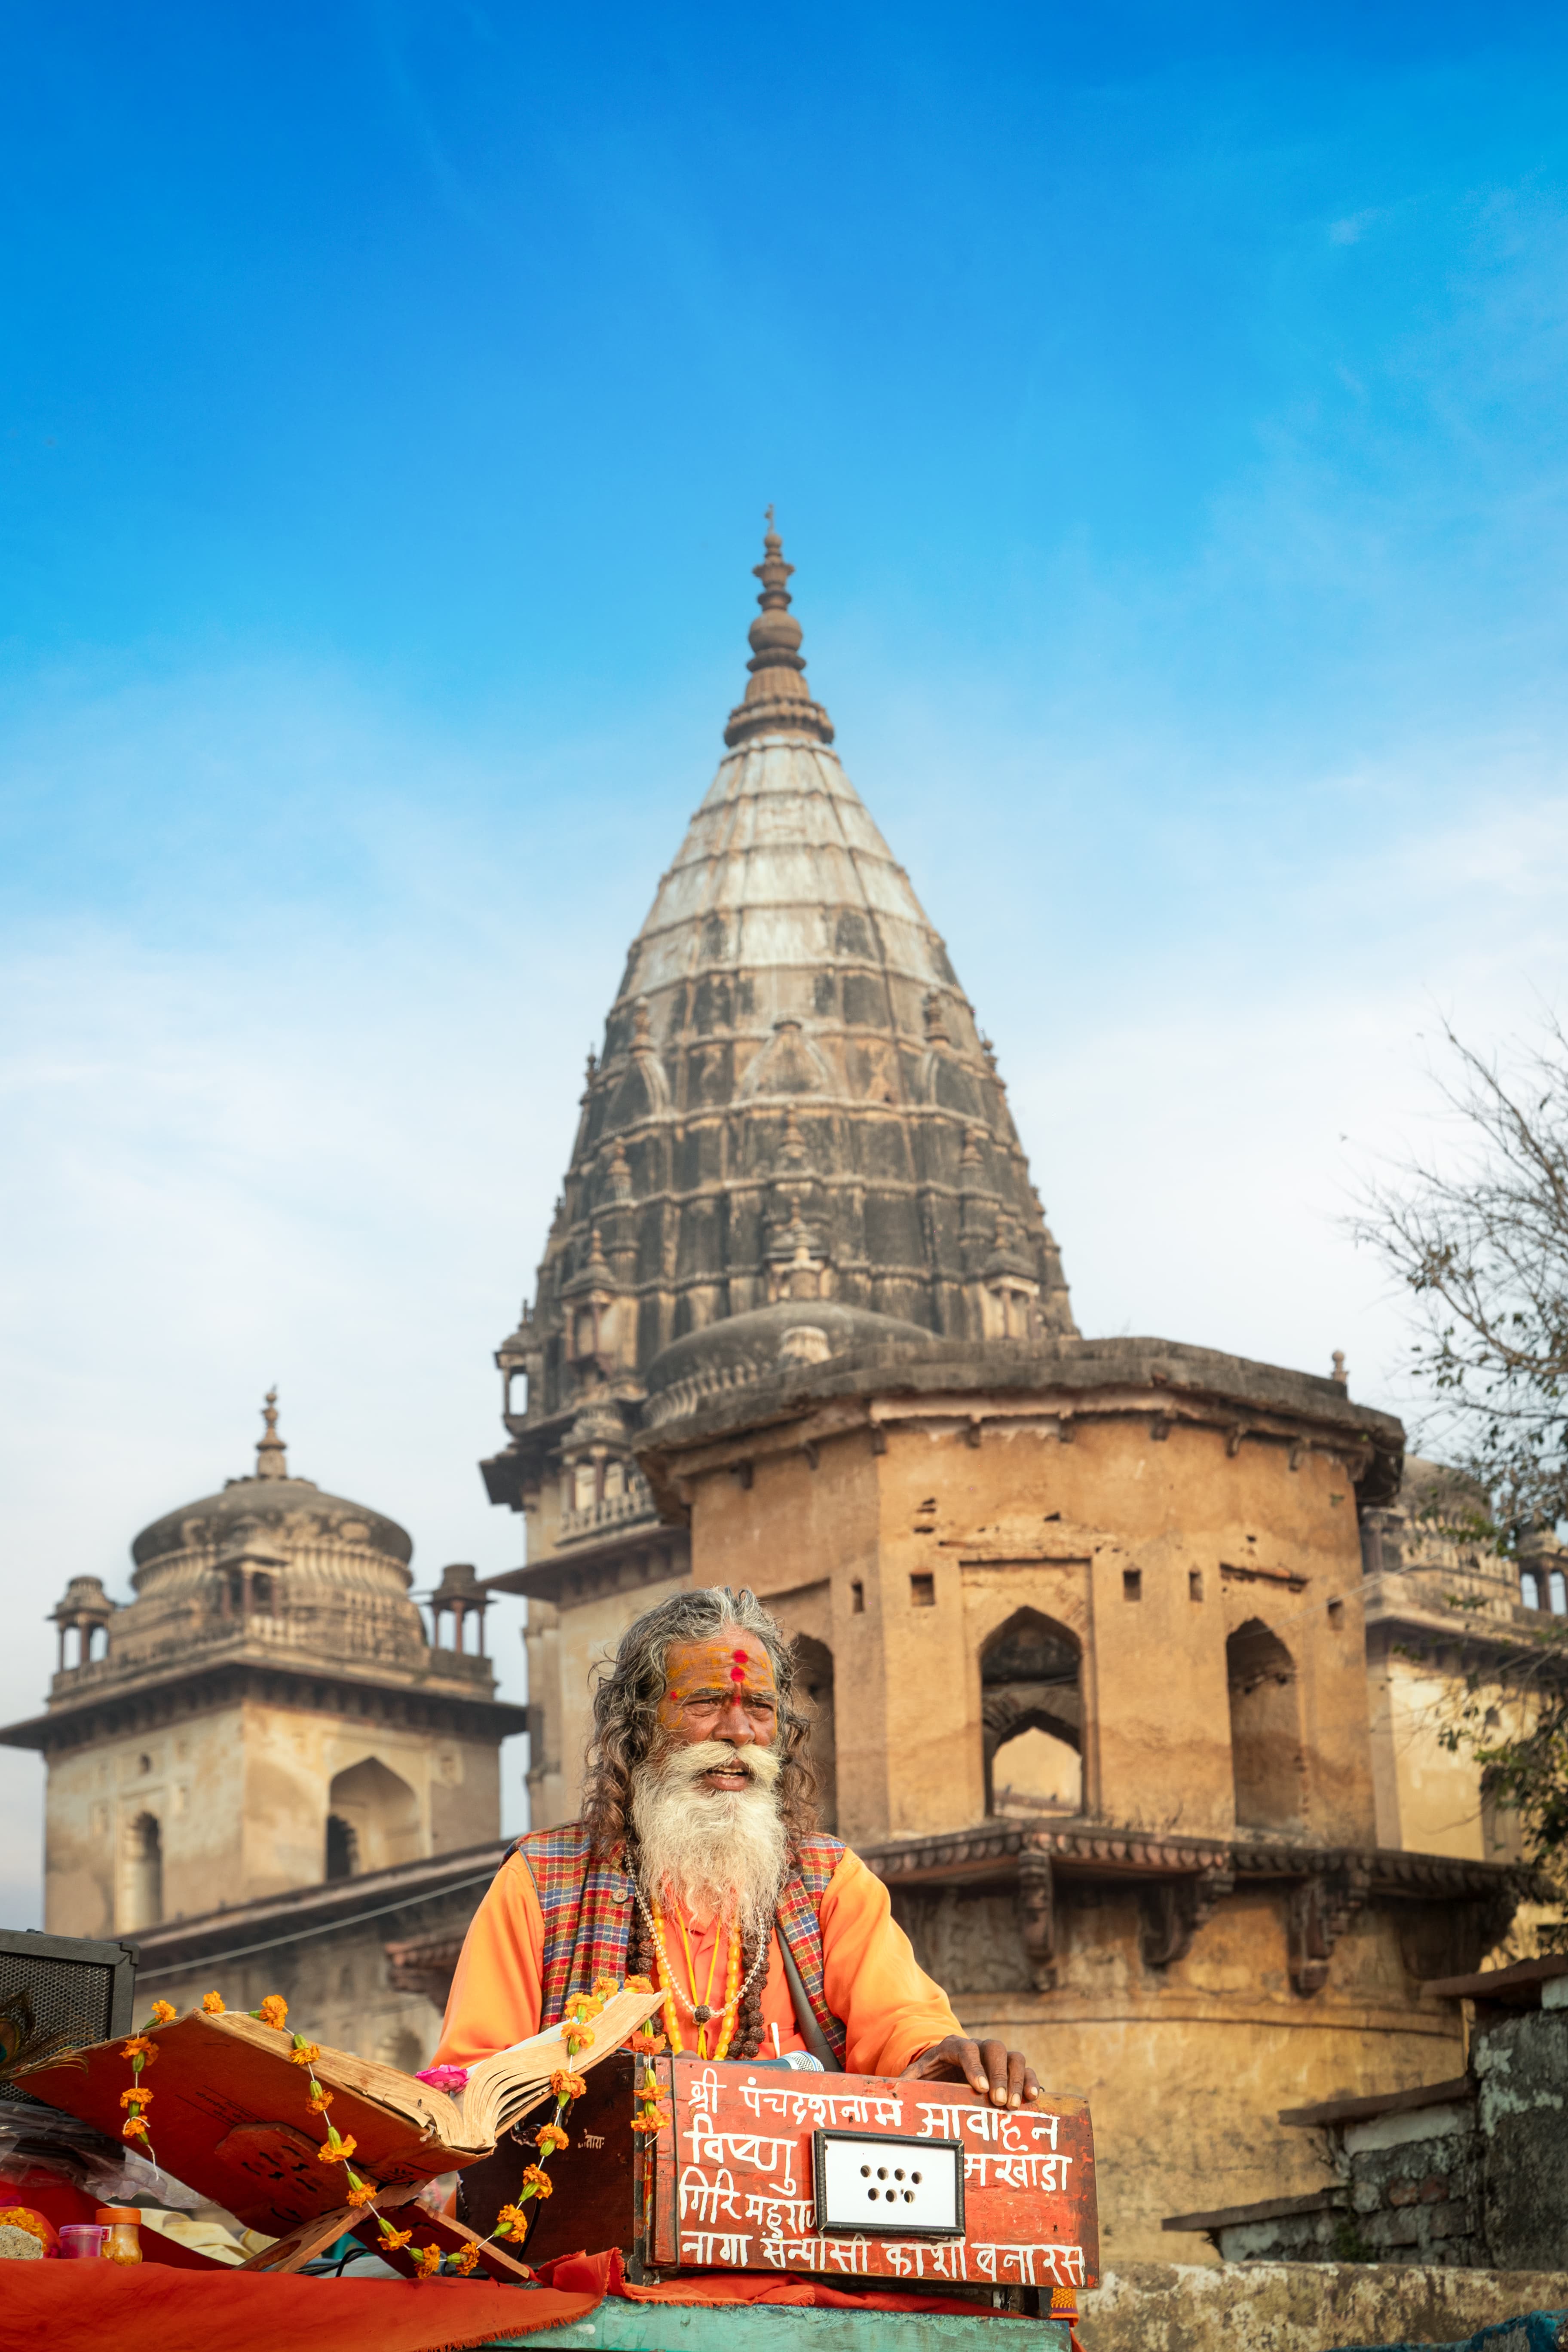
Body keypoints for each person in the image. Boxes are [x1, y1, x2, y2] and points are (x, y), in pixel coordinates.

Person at [435, 1584, 1041, 2109]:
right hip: (588, 2237)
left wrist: (943, 2054)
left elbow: (903, 2024)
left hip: (789, 2234)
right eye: (705, 1704)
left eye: (759, 1708)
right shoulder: (542, 1883)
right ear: (639, 1723)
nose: (739, 1732)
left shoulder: (829, 1881)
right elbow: (477, 2077)